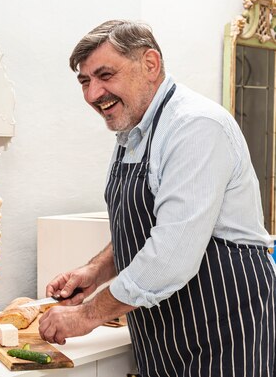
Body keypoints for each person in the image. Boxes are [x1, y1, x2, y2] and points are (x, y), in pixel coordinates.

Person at [38, 20, 276, 376]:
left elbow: (170, 254)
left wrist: (84, 315)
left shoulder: (196, 126)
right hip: (164, 332)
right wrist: (96, 270)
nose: (92, 94)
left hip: (225, 327)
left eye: (105, 75)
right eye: (85, 81)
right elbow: (147, 227)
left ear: (150, 64)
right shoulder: (133, 132)